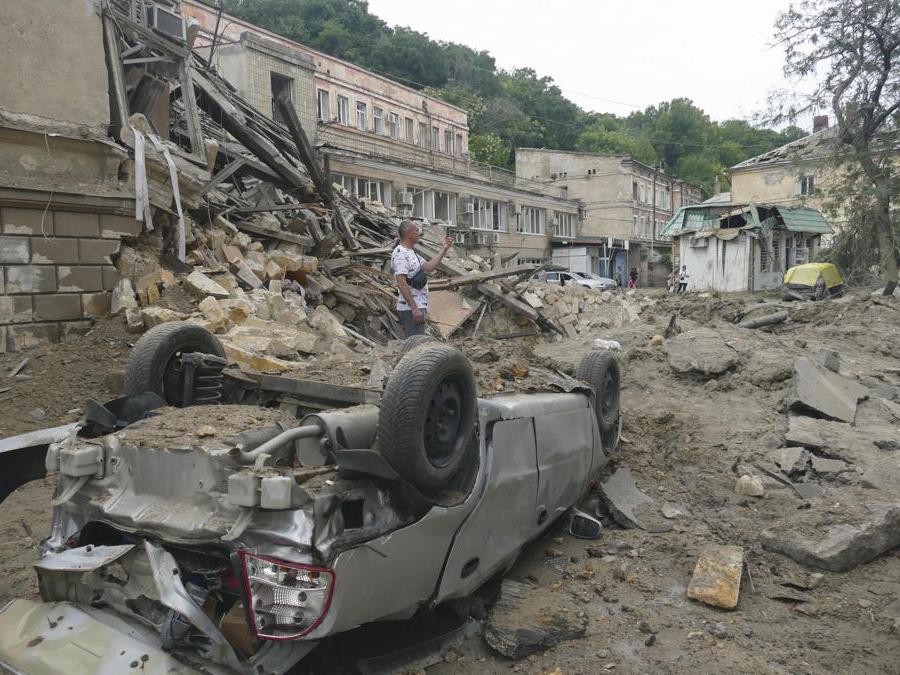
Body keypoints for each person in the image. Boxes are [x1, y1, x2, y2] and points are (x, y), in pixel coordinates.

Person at [391, 221, 454, 337]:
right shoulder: (400, 254)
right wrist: (414, 309)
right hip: (410, 309)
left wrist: (444, 249)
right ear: (409, 234)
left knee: (418, 344)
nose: (419, 233)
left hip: (418, 307)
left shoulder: (411, 253)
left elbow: (429, 267)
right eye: (416, 231)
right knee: (416, 346)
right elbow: (401, 282)